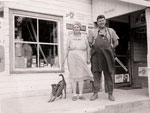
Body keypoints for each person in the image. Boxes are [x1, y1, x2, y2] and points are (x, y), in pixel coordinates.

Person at [88, 15, 119, 101]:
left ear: (105, 21)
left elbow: (116, 42)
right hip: (96, 56)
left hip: (108, 56)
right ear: (97, 22)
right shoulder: (93, 32)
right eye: (99, 21)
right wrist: (94, 46)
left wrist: (111, 47)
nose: (101, 22)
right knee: (96, 74)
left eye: (102, 20)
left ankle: (110, 94)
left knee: (109, 74)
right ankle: (95, 93)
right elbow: (90, 43)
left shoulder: (110, 31)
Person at [63, 22, 93, 101]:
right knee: (73, 75)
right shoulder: (70, 37)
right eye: (75, 27)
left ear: (80, 28)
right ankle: (74, 94)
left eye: (77, 27)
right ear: (73, 29)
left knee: (81, 76)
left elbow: (88, 48)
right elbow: (66, 49)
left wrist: (88, 58)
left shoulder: (84, 37)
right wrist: (63, 59)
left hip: (82, 56)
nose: (76, 28)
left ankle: (80, 94)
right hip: (71, 56)